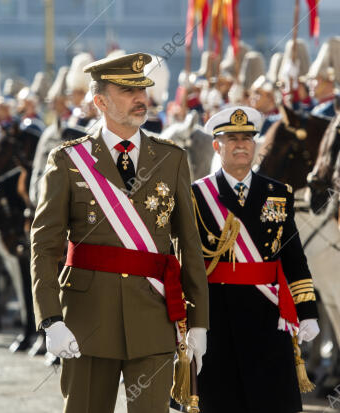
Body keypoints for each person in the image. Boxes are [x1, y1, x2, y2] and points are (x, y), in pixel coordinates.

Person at [30, 52, 209, 413]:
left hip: (154, 316)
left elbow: (189, 244)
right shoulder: (68, 161)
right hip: (87, 322)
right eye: (128, 91)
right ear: (100, 101)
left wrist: (199, 322)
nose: (141, 97)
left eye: (142, 88)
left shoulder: (171, 157)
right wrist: (50, 319)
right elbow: (45, 244)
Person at [192, 106, 320, 413]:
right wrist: (190, 324)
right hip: (217, 318)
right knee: (222, 401)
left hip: (268, 316)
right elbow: (188, 264)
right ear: (216, 145)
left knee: (272, 401)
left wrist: (307, 311)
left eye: (247, 138)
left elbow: (293, 257)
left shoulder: (278, 193)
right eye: (231, 138)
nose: (240, 144)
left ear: (256, 145)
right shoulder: (197, 194)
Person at [305, 36, 340, 118]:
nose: (309, 83)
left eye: (314, 79)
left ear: (329, 78)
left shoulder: (333, 109)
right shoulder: (318, 107)